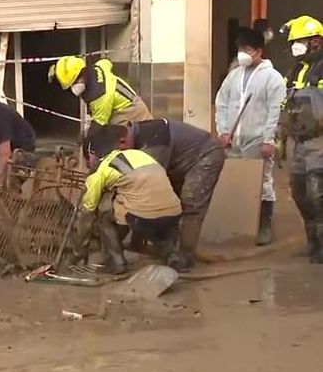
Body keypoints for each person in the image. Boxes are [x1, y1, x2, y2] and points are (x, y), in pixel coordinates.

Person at [86, 120, 225, 272]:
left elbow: (148, 192)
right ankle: (165, 250)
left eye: (119, 150)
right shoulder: (136, 137)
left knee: (190, 204)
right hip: (180, 159)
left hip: (205, 154)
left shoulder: (154, 143)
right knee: (158, 206)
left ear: (123, 141)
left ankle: (185, 256)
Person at [215, 27, 286, 246]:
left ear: (258, 51)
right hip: (235, 139)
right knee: (237, 181)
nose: (242, 54)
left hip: (257, 139)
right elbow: (222, 102)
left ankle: (263, 225)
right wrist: (223, 131)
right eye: (240, 49)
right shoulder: (234, 75)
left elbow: (276, 110)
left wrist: (268, 139)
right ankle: (239, 223)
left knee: (263, 182)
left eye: (246, 49)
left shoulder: (272, 78)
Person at [71, 143, 182, 275]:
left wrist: (79, 250)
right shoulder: (139, 155)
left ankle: (116, 262)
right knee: (149, 212)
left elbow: (86, 213)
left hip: (143, 218)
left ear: (93, 155)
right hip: (175, 213)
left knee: (104, 217)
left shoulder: (101, 171)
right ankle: (172, 256)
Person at [278, 15, 323, 262]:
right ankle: (312, 241)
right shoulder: (296, 69)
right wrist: (279, 136)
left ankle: (321, 246)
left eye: (301, 41)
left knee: (318, 193)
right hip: (297, 140)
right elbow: (285, 103)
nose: (296, 46)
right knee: (299, 192)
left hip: (320, 141)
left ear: (316, 41)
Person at [50, 56, 153, 127]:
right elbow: (107, 62)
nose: (73, 88)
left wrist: (85, 139)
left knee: (117, 143)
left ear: (82, 74)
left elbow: (99, 127)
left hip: (132, 114)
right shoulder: (98, 67)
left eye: (74, 83)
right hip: (133, 103)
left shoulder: (99, 96)